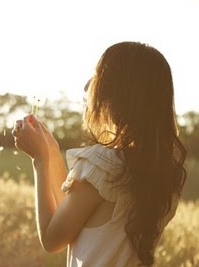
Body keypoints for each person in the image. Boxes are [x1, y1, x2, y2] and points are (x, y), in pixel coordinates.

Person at [12, 41, 187, 266]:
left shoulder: (105, 165)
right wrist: (52, 151)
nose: (87, 85)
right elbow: (76, 214)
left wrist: (40, 160)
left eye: (97, 75)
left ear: (118, 94)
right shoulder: (163, 173)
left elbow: (52, 239)